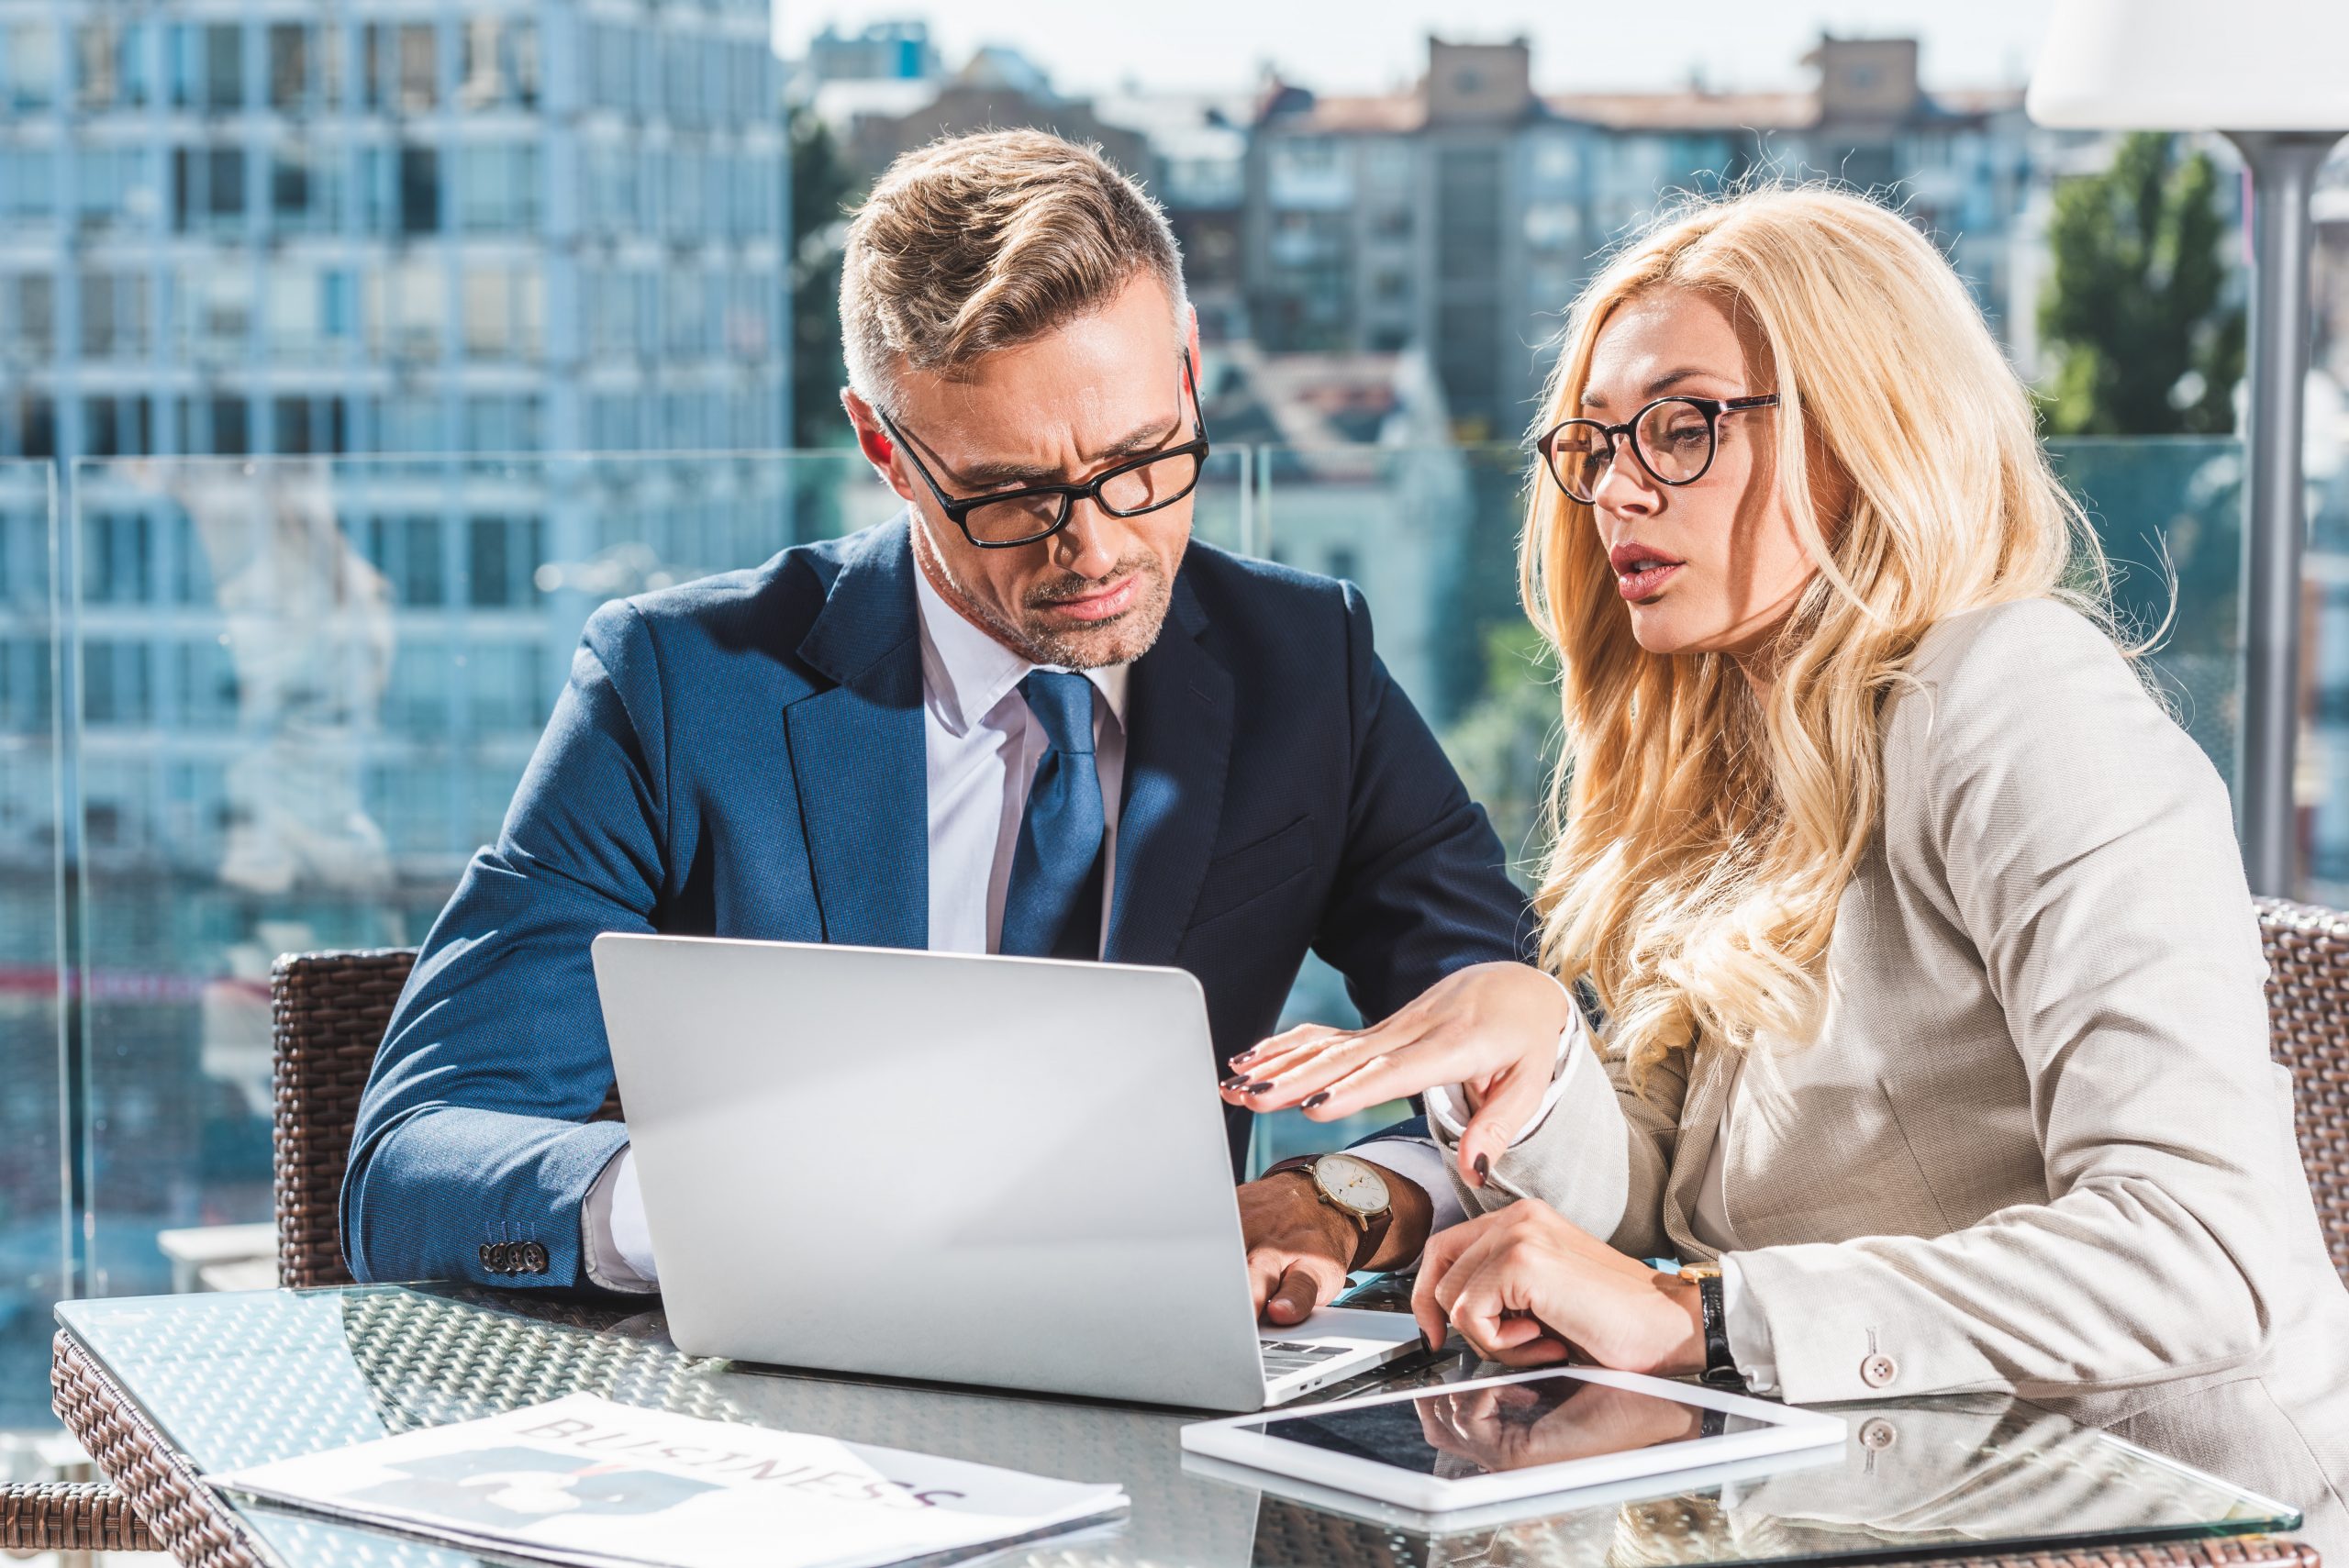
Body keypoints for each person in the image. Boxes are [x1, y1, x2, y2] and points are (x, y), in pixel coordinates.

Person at [1228, 184, 2348, 1532]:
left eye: (1683, 427)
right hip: (1849, 1497)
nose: (1617, 489)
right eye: (1593, 445)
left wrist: (1696, 1313)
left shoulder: (2019, 701)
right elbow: (1671, 1200)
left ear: (1866, 431)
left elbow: (2201, 1249)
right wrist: (1535, 1068)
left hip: (2171, 1519)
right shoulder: (1724, 742)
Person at [338, 128, 1567, 1297]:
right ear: (884, 444)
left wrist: (1346, 1194)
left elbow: (1510, 1023)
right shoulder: (675, 688)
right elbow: (409, 1168)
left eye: (1144, 458)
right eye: (1009, 493)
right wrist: (734, 1206)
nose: (1096, 548)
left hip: (1162, 1405)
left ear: (1189, 368)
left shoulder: (1307, 664)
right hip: (780, 1416)